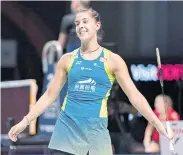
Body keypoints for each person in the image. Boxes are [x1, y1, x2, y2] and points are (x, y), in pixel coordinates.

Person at [8, 8, 174, 155]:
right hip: (68, 131)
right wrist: (25, 121)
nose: (80, 26)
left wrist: (158, 124)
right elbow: (49, 96)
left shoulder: (113, 60)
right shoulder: (67, 60)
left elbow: (135, 97)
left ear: (97, 25)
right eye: (77, 23)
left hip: (96, 133)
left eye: (85, 21)